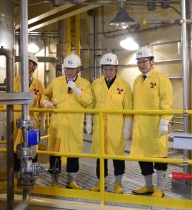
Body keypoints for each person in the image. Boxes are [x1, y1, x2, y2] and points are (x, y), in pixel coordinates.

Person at [41, 53, 93, 189]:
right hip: (57, 123)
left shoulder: (85, 84)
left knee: (73, 153)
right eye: (67, 69)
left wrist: (76, 89)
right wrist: (46, 102)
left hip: (74, 124)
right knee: (54, 152)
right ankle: (54, 181)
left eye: (72, 69)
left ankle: (71, 181)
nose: (69, 71)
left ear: (78, 69)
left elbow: (88, 101)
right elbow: (45, 94)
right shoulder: (56, 82)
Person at [129, 45, 173, 198]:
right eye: (139, 62)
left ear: (152, 61)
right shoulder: (136, 81)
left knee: (159, 156)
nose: (141, 65)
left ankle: (160, 188)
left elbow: (167, 100)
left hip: (156, 125)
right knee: (143, 155)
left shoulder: (161, 78)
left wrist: (165, 121)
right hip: (141, 125)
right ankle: (148, 186)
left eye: (144, 61)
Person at [87, 53, 133, 194]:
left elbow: (129, 108)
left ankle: (118, 184)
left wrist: (127, 127)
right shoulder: (96, 84)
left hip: (116, 127)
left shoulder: (124, 85)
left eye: (111, 69)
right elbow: (90, 104)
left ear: (116, 69)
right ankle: (101, 182)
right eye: (105, 69)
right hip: (100, 126)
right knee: (100, 156)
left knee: (117, 156)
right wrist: (88, 121)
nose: (108, 72)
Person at [12, 52, 45, 177]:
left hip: (32, 121)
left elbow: (41, 101)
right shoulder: (15, 81)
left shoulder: (39, 84)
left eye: (29, 63)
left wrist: (42, 121)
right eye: (24, 63)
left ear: (34, 66)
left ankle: (32, 175)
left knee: (32, 148)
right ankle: (15, 174)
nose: (25, 66)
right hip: (17, 120)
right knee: (16, 147)